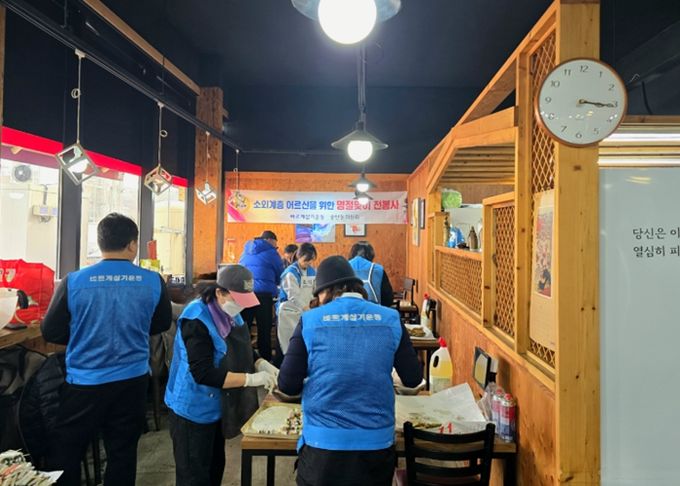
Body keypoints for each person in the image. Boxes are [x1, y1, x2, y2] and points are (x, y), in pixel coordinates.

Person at [41, 213, 172, 486]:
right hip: (132, 380)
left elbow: (51, 331)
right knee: (122, 451)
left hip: (84, 381)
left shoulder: (74, 281)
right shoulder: (152, 281)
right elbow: (160, 324)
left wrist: (85, 334)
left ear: (100, 243)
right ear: (132, 245)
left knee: (67, 450)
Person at [278, 256, 422, 486]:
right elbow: (413, 378)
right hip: (375, 446)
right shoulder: (391, 318)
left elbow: (287, 384)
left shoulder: (310, 320)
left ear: (325, 291)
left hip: (322, 448)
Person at [165, 264, 279, 486]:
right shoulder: (196, 320)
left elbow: (242, 346)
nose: (241, 306)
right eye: (238, 300)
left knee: (215, 467)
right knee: (194, 475)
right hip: (192, 408)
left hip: (217, 407)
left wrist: (261, 363)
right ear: (219, 292)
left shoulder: (230, 313)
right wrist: (251, 379)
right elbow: (204, 374)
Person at [239, 230, 284, 361]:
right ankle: (265, 359)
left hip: (245, 293)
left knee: (244, 329)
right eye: (276, 244)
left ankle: (243, 358)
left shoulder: (245, 250)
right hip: (263, 296)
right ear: (270, 240)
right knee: (264, 329)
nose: (276, 247)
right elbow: (281, 274)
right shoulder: (272, 253)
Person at [276, 243, 317, 354]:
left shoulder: (312, 271)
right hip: (288, 312)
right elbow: (294, 296)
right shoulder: (290, 273)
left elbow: (314, 290)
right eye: (306, 260)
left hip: (305, 311)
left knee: (301, 343)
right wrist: (306, 308)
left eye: (311, 260)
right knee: (287, 345)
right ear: (299, 256)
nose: (309, 263)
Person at [348, 241, 394, 306]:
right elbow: (388, 299)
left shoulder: (343, 268)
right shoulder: (378, 270)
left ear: (352, 254)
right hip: (373, 309)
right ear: (371, 255)